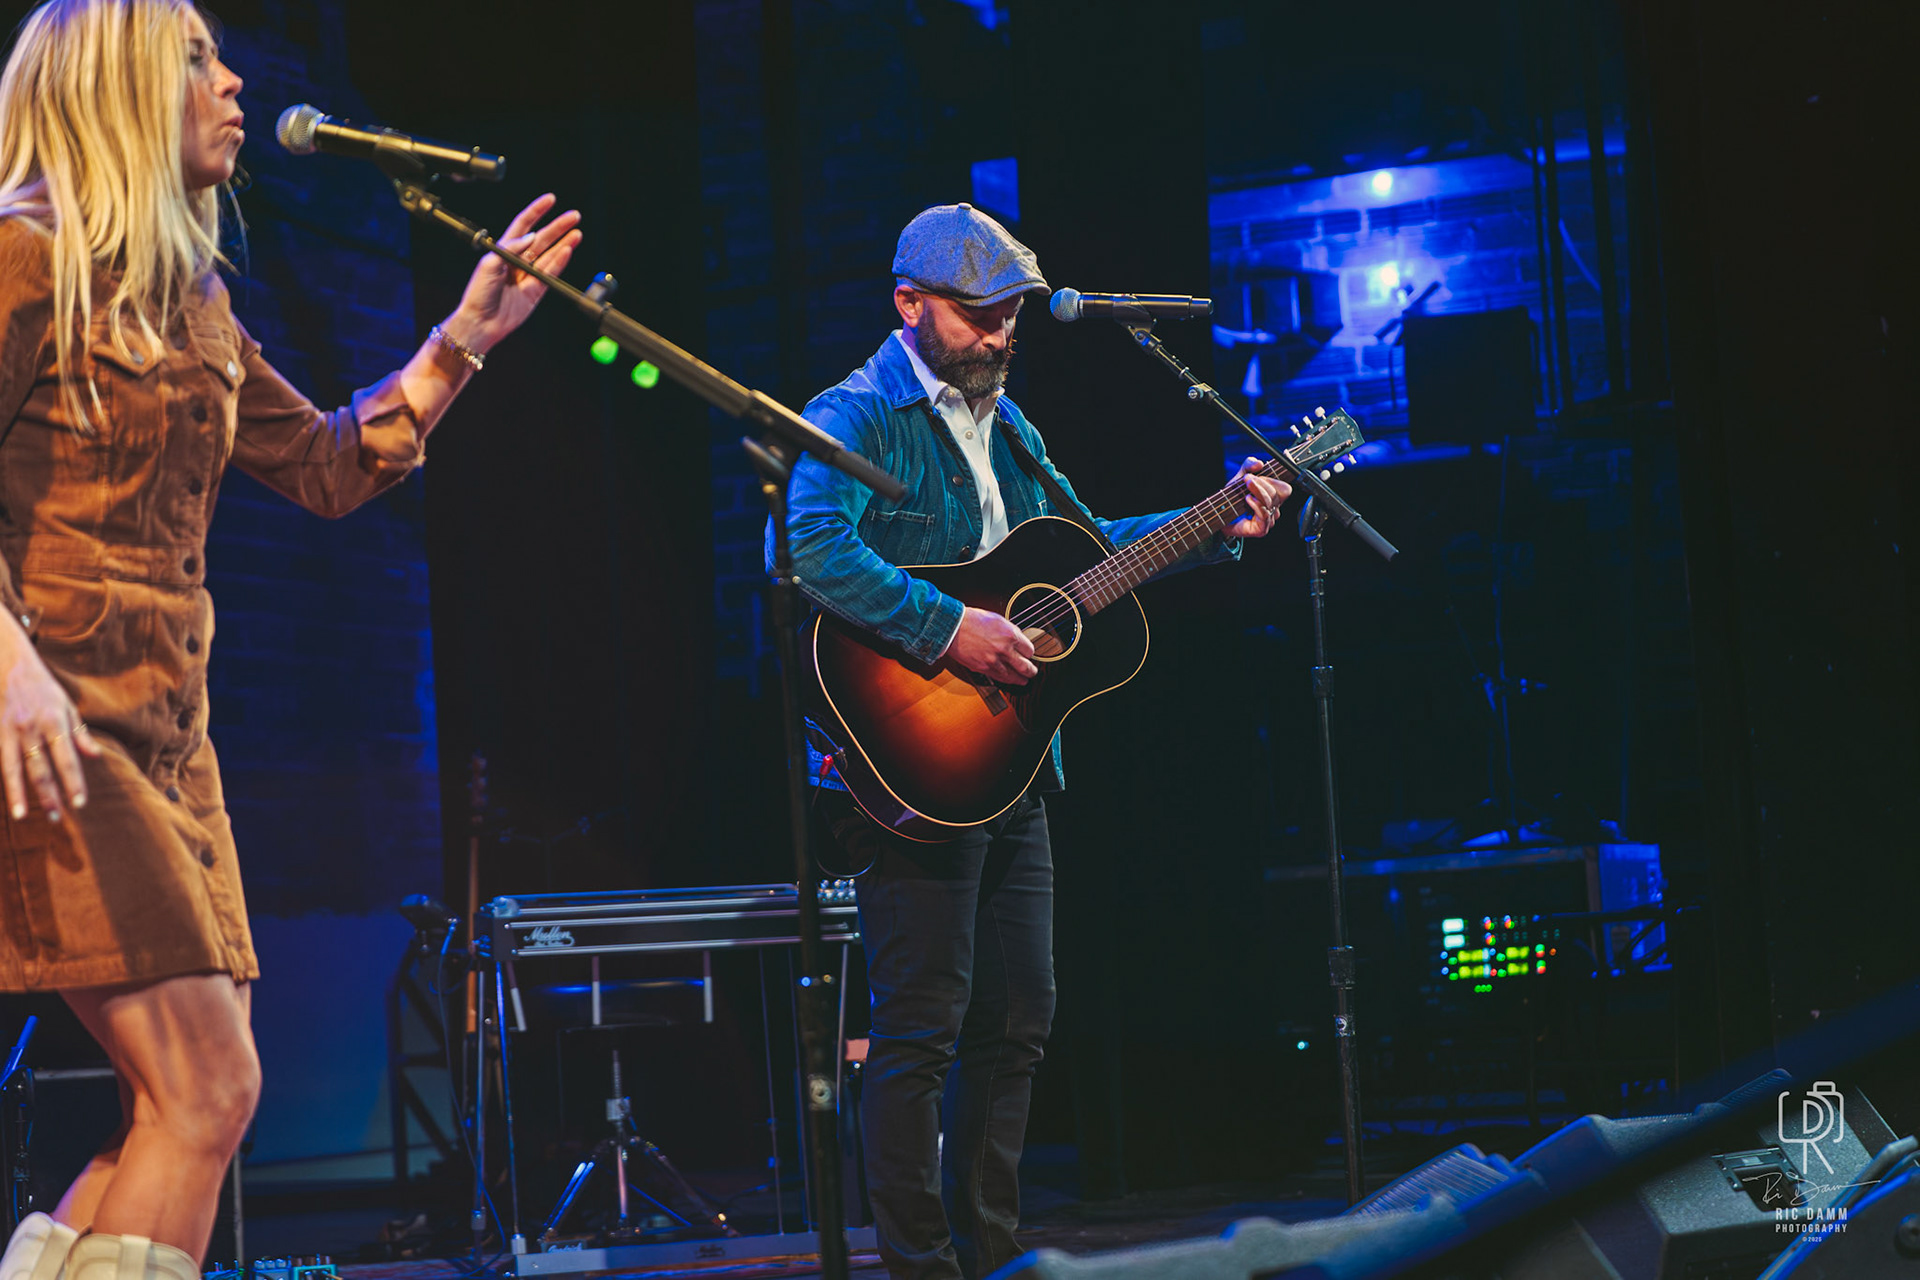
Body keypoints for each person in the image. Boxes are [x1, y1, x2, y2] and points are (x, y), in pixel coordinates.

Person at [0, 3, 580, 1278]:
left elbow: (322, 463)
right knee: (207, 1086)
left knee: (187, 1097)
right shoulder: (22, 255)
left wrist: (462, 342)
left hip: (171, 745)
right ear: (116, 89)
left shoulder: (191, 297)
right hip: (55, 730)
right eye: (197, 59)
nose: (233, 81)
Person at [777, 203, 1291, 1280]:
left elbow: (1088, 553)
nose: (1001, 333)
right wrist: (947, 626)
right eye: (979, 314)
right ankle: (920, 1266)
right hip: (906, 765)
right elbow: (809, 545)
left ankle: (995, 1255)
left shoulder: (1009, 424)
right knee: (921, 1027)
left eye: (1011, 312)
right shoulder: (856, 413)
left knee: (1019, 1021)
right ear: (909, 305)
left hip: (1013, 760)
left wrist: (1215, 524)